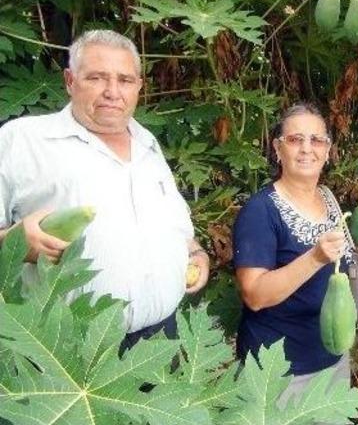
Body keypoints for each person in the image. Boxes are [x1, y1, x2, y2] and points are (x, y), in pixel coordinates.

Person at [0, 30, 210, 351]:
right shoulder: (21, 141)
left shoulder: (148, 145)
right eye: (97, 78)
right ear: (70, 80)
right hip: (67, 347)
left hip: (159, 341)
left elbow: (176, 227)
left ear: (139, 86)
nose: (113, 92)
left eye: (125, 80)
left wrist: (195, 254)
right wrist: (14, 243)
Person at [232, 102, 358, 407]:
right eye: (295, 140)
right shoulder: (260, 211)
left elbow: (341, 270)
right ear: (278, 149)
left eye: (317, 140)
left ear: (328, 150)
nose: (307, 149)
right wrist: (314, 257)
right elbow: (254, 294)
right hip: (277, 374)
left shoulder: (329, 199)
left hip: (332, 361)